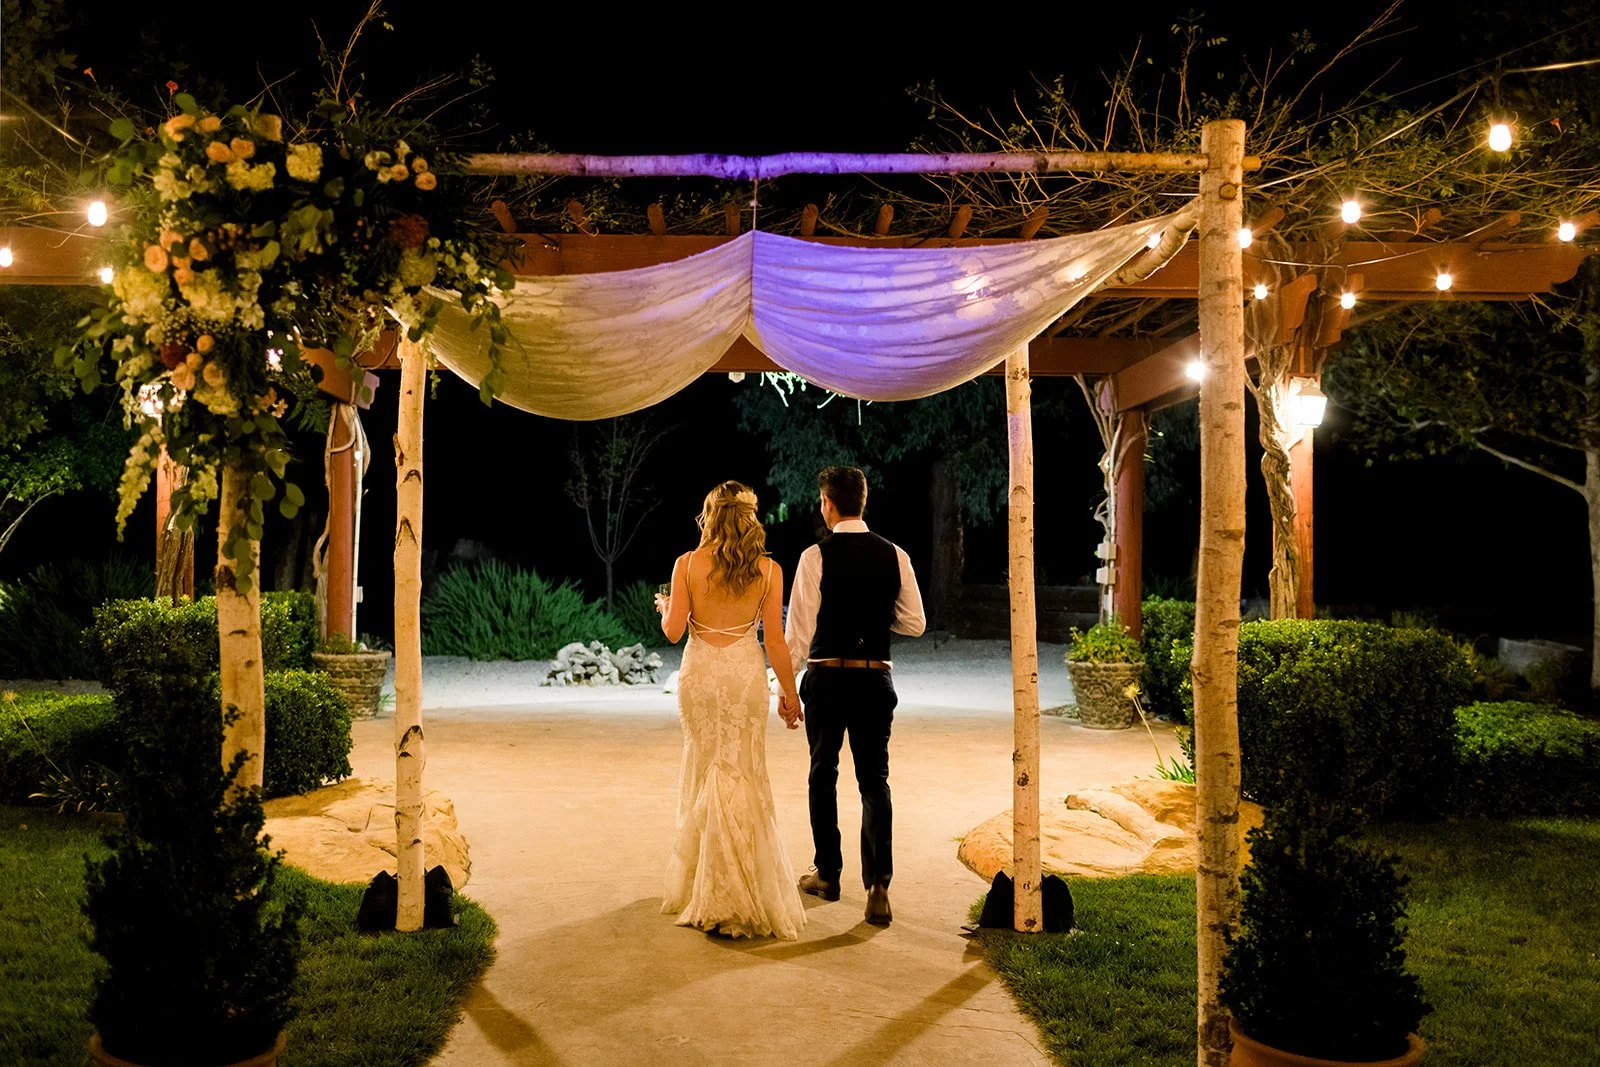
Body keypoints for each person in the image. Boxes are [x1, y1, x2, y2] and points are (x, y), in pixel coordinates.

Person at [656, 481, 807, 939]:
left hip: (700, 675)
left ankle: (712, 886)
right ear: (750, 517)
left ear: (710, 516)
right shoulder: (769, 570)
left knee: (706, 767)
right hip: (744, 677)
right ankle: (741, 885)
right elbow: (774, 641)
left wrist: (666, 607)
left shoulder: (687, 565)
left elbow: (673, 632)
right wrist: (790, 694)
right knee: (742, 769)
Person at [785, 466, 925, 926]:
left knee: (822, 775)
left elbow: (798, 633)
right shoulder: (895, 555)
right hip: (874, 679)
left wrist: (785, 687)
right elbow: (915, 623)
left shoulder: (814, 557)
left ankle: (828, 874)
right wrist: (875, 617)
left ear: (827, 503)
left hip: (826, 678)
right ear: (863, 501)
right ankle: (878, 887)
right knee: (874, 781)